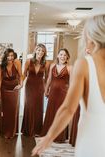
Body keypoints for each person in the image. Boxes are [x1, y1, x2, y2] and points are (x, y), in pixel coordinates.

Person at [32, 14, 105, 157]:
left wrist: (48, 138)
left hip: (92, 142)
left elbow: (68, 109)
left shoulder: (84, 64)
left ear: (91, 36)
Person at [41, 48, 72, 143]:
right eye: (61, 54)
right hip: (53, 93)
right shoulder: (52, 66)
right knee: (51, 112)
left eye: (64, 55)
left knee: (60, 113)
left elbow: (71, 83)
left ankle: (59, 136)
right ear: (58, 56)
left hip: (63, 93)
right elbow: (49, 79)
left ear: (67, 57)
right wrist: (46, 90)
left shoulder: (70, 68)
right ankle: (48, 133)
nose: (62, 56)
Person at [21, 43, 49, 137]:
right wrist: (21, 84)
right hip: (29, 86)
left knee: (38, 107)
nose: (40, 52)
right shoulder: (29, 61)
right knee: (30, 106)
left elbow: (47, 78)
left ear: (44, 53)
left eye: (42, 51)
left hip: (40, 87)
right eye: (39, 50)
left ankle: (37, 130)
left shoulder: (45, 63)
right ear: (35, 50)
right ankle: (28, 130)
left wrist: (46, 90)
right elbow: (24, 74)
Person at [0, 48, 22, 139]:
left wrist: (21, 85)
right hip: (4, 88)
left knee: (13, 110)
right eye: (8, 56)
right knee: (4, 110)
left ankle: (12, 131)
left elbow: (20, 75)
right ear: (5, 56)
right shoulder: (0, 66)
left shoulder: (17, 62)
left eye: (12, 55)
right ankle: (4, 130)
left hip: (14, 88)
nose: (10, 57)